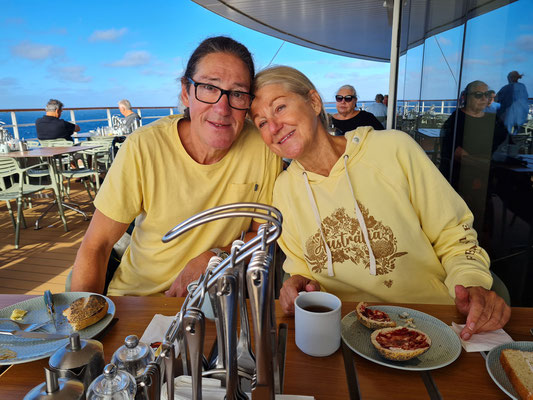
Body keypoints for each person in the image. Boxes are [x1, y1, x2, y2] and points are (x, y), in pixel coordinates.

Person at [250, 66, 510, 341]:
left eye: (279, 108)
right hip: (345, 333)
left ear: (314, 102)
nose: (274, 127)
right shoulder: (284, 190)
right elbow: (300, 266)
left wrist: (471, 282)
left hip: (434, 323)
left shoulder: (393, 149)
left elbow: (453, 234)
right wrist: (294, 283)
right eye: (262, 123)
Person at [70, 36, 282, 297]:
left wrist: (217, 257)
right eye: (208, 88)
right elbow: (97, 245)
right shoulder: (143, 147)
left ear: (248, 102)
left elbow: (263, 235)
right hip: (137, 300)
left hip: (215, 303)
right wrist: (83, 328)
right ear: (186, 91)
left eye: (237, 93)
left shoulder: (262, 148)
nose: (222, 107)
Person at [440, 81, 508, 239]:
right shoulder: (457, 119)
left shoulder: (493, 120)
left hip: (488, 177)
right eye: (478, 94)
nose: (484, 98)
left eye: (487, 94)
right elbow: (455, 153)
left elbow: (506, 144)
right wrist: (484, 161)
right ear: (466, 97)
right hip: (461, 179)